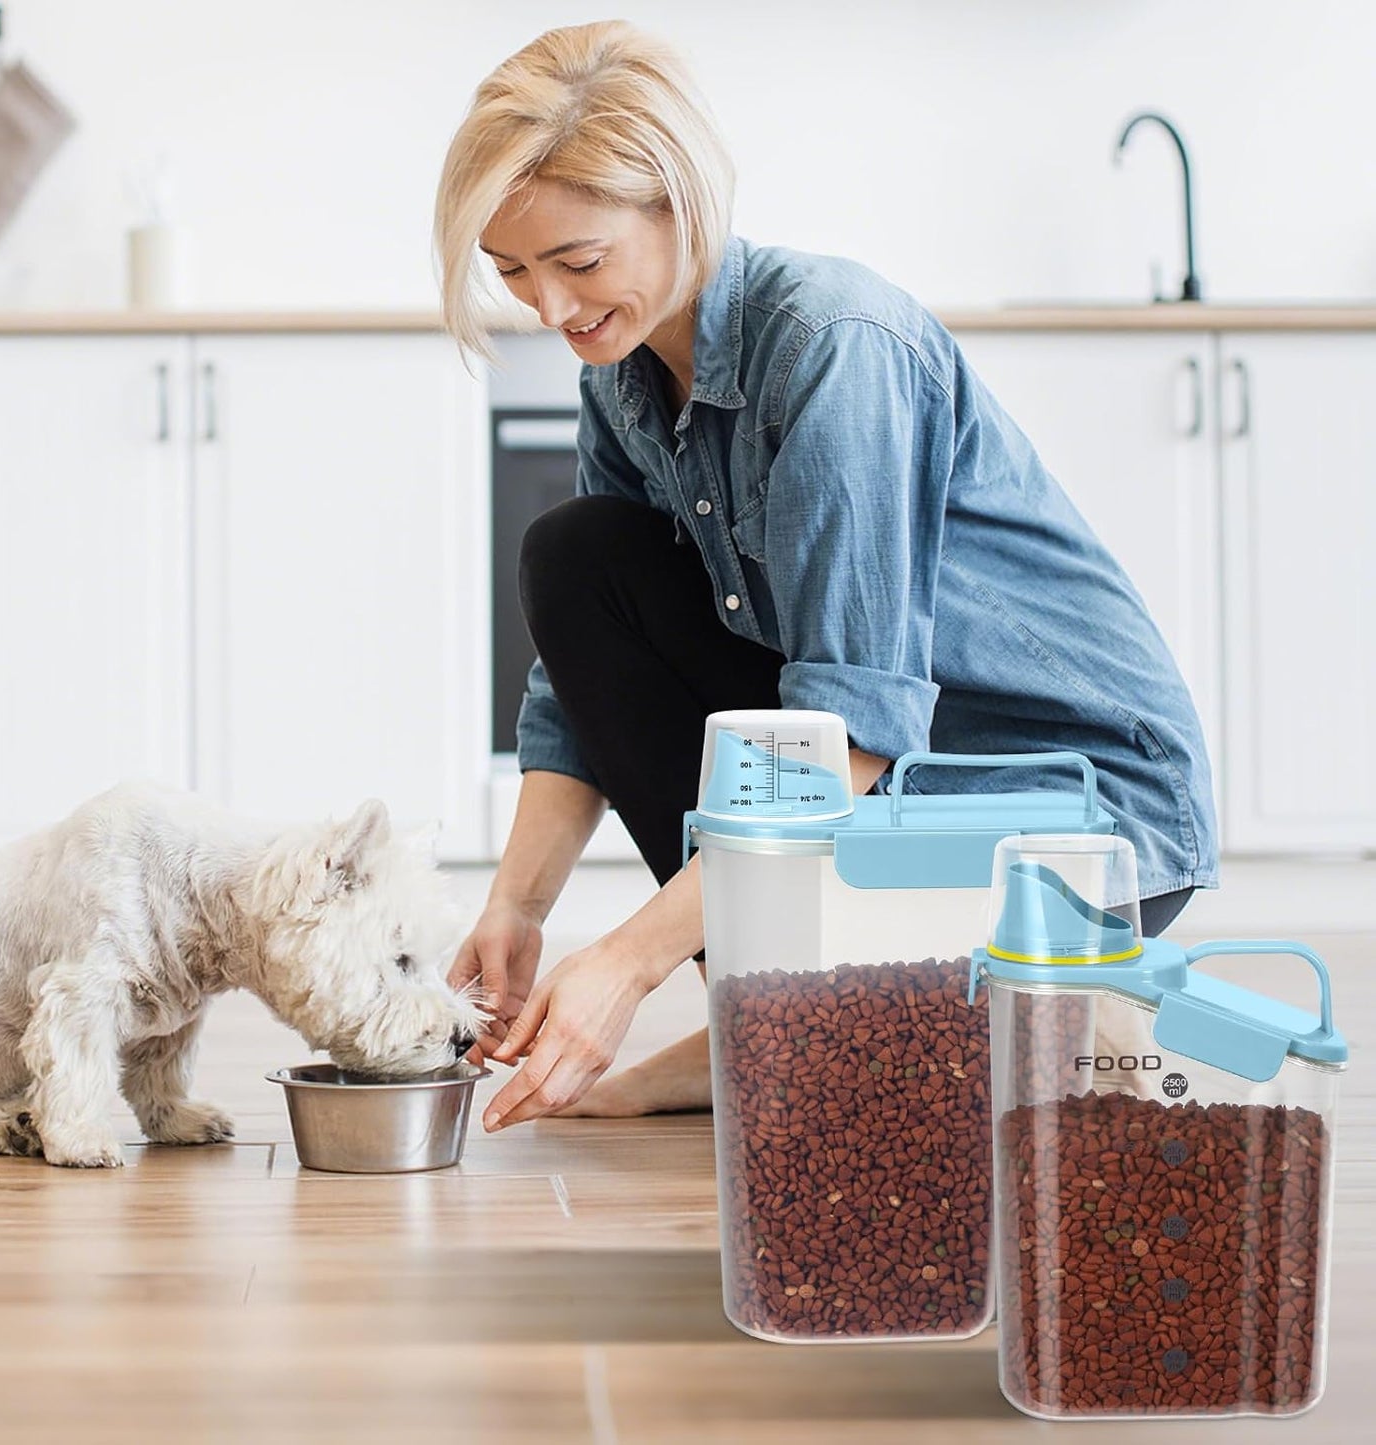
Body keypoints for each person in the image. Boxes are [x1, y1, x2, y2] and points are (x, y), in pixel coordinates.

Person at [435, 20, 1218, 1134]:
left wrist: (626, 964)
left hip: (1069, 807)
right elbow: (583, 677)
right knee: (575, 559)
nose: (549, 310)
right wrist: (517, 909)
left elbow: (849, 739)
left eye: (578, 261)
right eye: (512, 270)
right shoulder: (622, 375)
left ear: (678, 203)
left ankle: (796, 1018)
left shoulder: (832, 347)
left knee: (900, 1082)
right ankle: (778, 1020)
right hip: (887, 789)